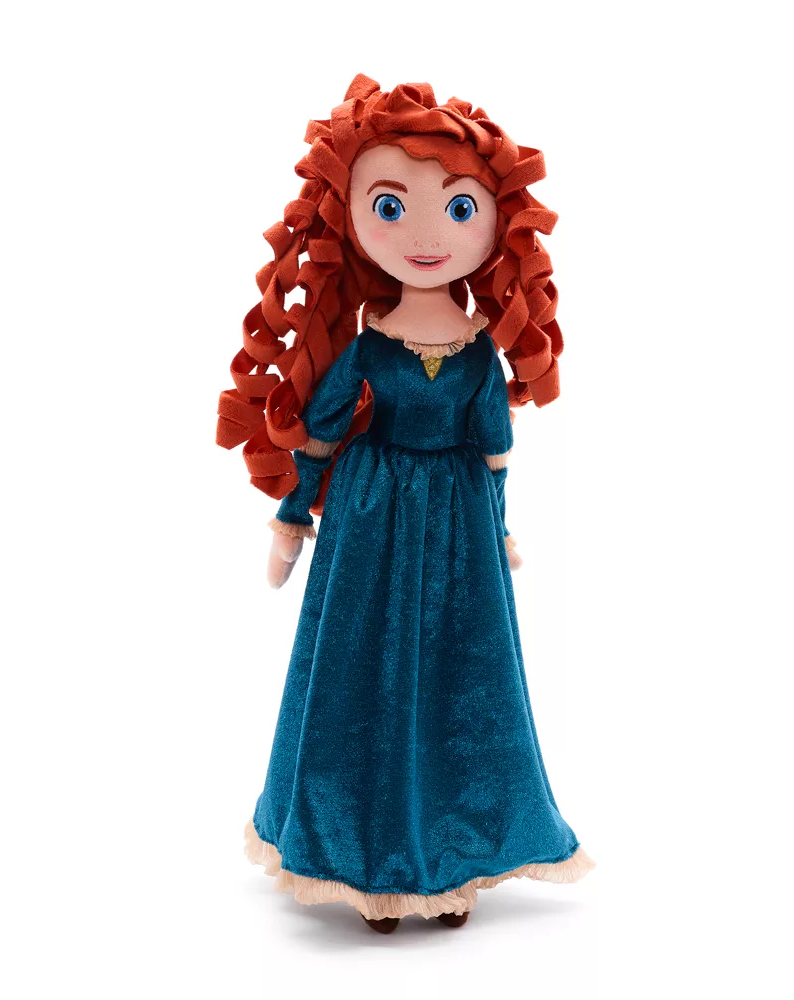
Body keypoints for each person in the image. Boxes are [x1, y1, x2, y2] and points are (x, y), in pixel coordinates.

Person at [217, 74, 594, 933]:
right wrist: (291, 517)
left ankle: (454, 858)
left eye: (459, 209)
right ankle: (361, 858)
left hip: (460, 528)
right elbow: (318, 437)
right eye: (390, 206)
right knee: (355, 668)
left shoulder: (478, 356)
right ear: (347, 216)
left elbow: (494, 452)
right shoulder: (367, 347)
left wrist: (501, 529)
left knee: (467, 678)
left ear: (497, 226)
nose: (427, 237)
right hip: (367, 522)